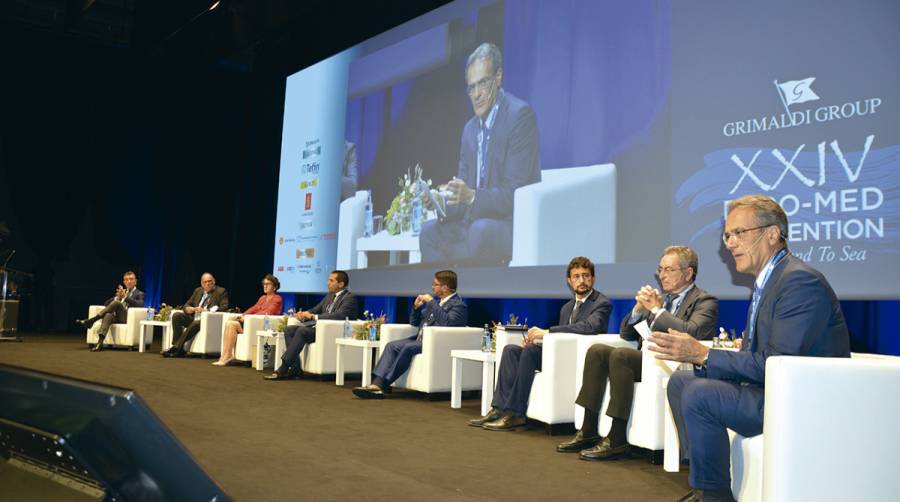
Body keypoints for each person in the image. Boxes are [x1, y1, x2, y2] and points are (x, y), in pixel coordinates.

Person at [651, 195, 850, 502]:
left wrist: (702, 354)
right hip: (770, 390)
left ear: (772, 234)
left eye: (739, 233)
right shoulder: (768, 281)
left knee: (699, 393)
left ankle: (716, 496)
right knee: (681, 381)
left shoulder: (799, 281)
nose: (729, 243)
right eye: (727, 235)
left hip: (800, 400)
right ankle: (706, 483)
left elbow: (776, 364)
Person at [556, 246, 718, 460]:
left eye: (668, 270)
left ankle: (616, 438)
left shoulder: (704, 301)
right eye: (660, 269)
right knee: (597, 351)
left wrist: (656, 311)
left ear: (688, 273)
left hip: (671, 364)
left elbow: (692, 332)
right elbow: (626, 334)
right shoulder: (662, 298)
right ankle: (588, 430)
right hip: (647, 360)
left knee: (621, 356)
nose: (661, 275)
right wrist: (638, 311)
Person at [419, 42, 540, 264]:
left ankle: (472, 294)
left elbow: (516, 193)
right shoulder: (469, 130)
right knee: (428, 234)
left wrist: (471, 196)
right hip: (475, 223)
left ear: (498, 77)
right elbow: (463, 192)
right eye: (471, 87)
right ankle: (444, 297)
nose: (476, 94)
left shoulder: (519, 117)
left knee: (479, 232)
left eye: (482, 84)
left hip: (510, 222)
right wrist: (442, 200)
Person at [472, 256, 611, 430]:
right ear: (569, 281)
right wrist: (539, 339)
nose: (581, 280)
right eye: (576, 276)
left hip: (580, 359)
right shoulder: (567, 307)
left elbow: (590, 327)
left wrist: (547, 332)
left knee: (530, 352)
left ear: (593, 278)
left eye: (586, 275)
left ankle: (516, 413)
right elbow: (563, 337)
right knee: (511, 350)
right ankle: (499, 408)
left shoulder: (601, 303)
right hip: (559, 354)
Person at [353, 270, 467, 399]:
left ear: (445, 288)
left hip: (436, 344)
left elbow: (447, 323)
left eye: (435, 284)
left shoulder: (458, 305)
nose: (432, 287)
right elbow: (414, 322)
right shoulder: (437, 303)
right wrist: (416, 308)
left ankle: (383, 384)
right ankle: (376, 384)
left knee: (408, 347)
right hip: (419, 339)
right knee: (392, 345)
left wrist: (431, 303)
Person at [264, 270, 358, 380]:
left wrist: (314, 317)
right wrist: (304, 314)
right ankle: (295, 370)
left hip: (332, 333)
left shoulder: (349, 298)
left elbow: (339, 315)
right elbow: (316, 309)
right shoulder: (330, 296)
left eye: (331, 281)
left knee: (302, 331)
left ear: (341, 284)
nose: (328, 283)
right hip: (319, 329)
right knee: (289, 329)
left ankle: (283, 368)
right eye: (328, 280)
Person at [213, 274, 283, 366]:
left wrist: (246, 318)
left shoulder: (277, 298)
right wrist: (243, 315)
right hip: (252, 323)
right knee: (229, 323)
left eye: (268, 284)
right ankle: (225, 355)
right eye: (264, 284)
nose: (265, 286)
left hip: (262, 326)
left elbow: (268, 312)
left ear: (275, 287)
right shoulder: (262, 298)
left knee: (232, 324)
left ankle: (228, 356)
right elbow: (253, 308)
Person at [163, 272, 229, 357]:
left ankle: (175, 348)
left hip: (207, 321)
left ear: (214, 281)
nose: (208, 283)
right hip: (194, 317)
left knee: (196, 323)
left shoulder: (221, 291)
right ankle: (179, 348)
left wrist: (206, 310)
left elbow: (224, 307)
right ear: (202, 283)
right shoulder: (198, 290)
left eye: (210, 281)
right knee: (176, 316)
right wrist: (188, 309)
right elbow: (187, 304)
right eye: (205, 282)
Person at [78, 271, 145, 352]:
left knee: (116, 303)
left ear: (135, 281)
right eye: (126, 280)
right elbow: (106, 304)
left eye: (131, 279)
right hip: (117, 317)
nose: (129, 281)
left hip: (128, 319)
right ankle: (100, 343)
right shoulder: (122, 292)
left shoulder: (140, 293)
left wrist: (125, 297)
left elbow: (140, 305)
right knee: (108, 315)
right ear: (124, 282)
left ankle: (92, 320)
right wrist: (117, 298)